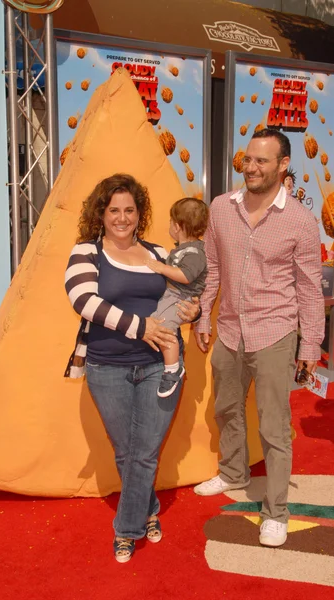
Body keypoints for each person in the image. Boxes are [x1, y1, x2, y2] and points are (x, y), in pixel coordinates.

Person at [193, 129, 325, 548]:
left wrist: (309, 347)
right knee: (227, 410)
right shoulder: (220, 208)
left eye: (261, 161)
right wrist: (203, 317)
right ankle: (233, 472)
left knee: (274, 426)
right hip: (229, 329)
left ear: (283, 165)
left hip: (274, 333)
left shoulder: (301, 222)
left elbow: (309, 290)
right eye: (248, 159)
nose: (250, 167)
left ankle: (276, 511)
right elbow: (212, 268)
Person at [65, 173, 199, 563]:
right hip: (107, 367)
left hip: (162, 365)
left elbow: (184, 294)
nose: (122, 218)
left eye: (129, 210)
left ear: (140, 214)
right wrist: (142, 328)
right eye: (113, 211)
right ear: (101, 215)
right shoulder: (85, 252)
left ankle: (126, 530)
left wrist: (193, 310)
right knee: (127, 451)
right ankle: (148, 509)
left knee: (143, 453)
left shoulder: (160, 254)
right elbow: (83, 301)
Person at [145, 197, 208, 398]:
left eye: (171, 221)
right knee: (159, 322)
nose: (170, 226)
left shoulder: (195, 252)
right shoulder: (183, 249)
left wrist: (162, 267)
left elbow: (186, 276)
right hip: (172, 294)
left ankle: (173, 369)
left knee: (166, 327)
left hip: (182, 297)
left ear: (178, 226)